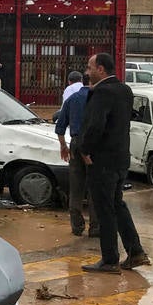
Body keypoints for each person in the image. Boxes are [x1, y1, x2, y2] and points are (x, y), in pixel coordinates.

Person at [78, 53, 150, 273]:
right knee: (117, 205)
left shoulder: (102, 92)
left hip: (102, 160)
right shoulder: (124, 90)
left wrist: (85, 149)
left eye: (89, 68)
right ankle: (135, 251)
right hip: (120, 158)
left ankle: (109, 259)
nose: (87, 72)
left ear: (101, 69)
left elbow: (95, 125)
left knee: (105, 209)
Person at [55, 82, 97, 237]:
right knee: (94, 186)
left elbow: (60, 127)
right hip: (94, 145)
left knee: (76, 187)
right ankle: (96, 227)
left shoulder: (72, 99)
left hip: (75, 143)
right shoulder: (98, 98)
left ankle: (77, 226)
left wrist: (63, 146)